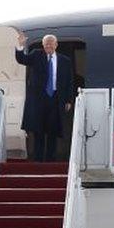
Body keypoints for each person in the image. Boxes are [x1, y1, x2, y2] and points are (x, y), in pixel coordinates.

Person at [15, 32, 74, 162]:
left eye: (51, 43)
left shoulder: (65, 61)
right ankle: (38, 159)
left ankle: (50, 160)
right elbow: (22, 59)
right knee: (38, 130)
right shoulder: (36, 55)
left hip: (55, 99)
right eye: (46, 43)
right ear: (43, 45)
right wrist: (20, 46)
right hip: (39, 100)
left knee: (52, 131)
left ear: (56, 45)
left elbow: (69, 81)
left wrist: (69, 100)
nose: (49, 46)